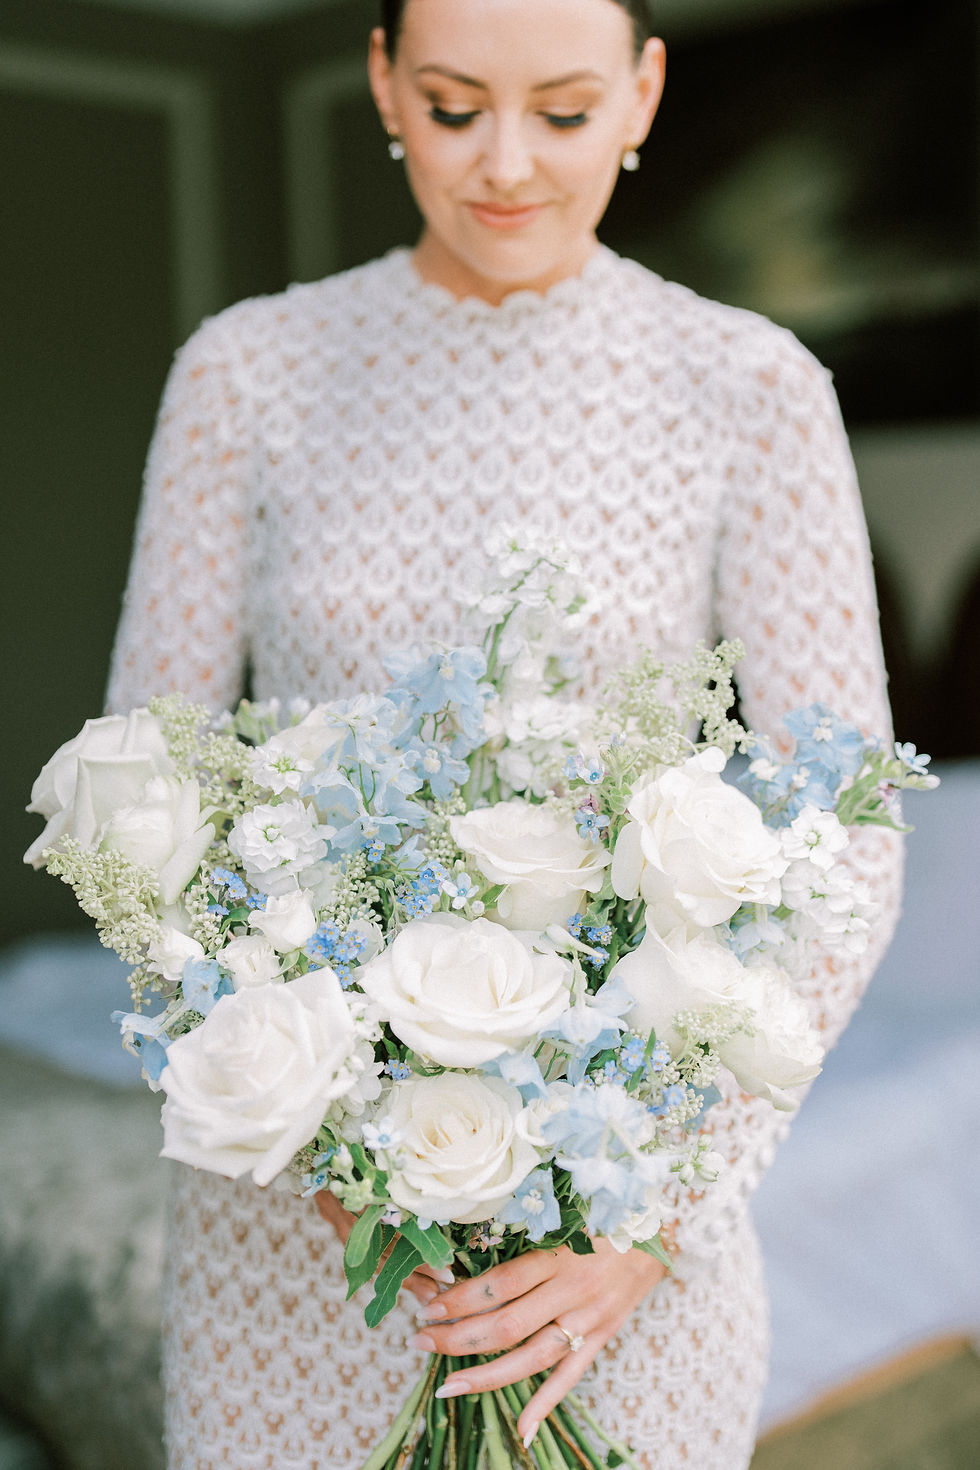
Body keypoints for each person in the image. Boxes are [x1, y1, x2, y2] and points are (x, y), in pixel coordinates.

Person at [106, 1, 903, 1466]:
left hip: (617, 1249)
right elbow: (135, 805)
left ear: (645, 90)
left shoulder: (750, 388)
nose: (509, 165)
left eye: (565, 109)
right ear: (383, 83)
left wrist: (656, 1216)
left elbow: (847, 827)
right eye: (459, 107)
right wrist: (318, 1135)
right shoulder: (246, 373)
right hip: (299, 1234)